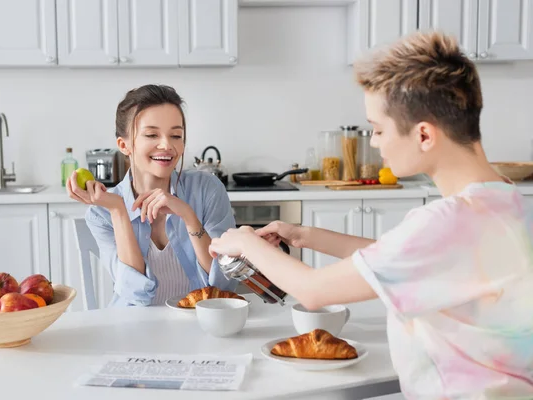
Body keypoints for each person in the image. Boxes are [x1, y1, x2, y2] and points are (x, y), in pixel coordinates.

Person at [209, 32, 533, 399]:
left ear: (424, 135)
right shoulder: (502, 199)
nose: (374, 143)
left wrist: (246, 242)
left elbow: (314, 292)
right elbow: (400, 256)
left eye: (378, 130)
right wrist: (304, 235)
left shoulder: (446, 222)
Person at [67, 84, 236, 307]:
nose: (167, 145)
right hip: (134, 329)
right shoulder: (102, 212)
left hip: (199, 324)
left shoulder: (206, 189)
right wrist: (119, 211)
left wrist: (188, 216)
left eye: (176, 135)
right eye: (151, 134)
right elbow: (133, 293)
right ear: (124, 145)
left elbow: (224, 284)